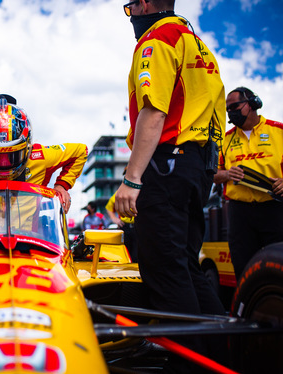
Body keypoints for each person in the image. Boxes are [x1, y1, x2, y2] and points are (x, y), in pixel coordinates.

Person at [114, 0, 227, 369]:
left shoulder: (157, 38)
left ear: (146, 4)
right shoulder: (197, 43)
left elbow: (154, 110)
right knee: (186, 268)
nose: (132, 16)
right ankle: (219, 357)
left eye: (131, 8)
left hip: (166, 165)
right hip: (197, 168)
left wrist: (132, 179)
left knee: (164, 268)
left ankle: (187, 364)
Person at [213, 87, 283, 280]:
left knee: (279, 264)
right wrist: (227, 174)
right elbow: (211, 174)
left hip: (275, 209)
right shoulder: (225, 140)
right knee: (242, 266)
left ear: (253, 104)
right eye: (228, 109)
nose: (231, 112)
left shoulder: (279, 131)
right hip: (239, 213)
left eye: (235, 106)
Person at [105, 192, 137, 262]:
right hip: (125, 226)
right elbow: (109, 207)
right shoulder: (121, 192)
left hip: (138, 226)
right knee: (124, 252)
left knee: (137, 253)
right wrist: (114, 219)